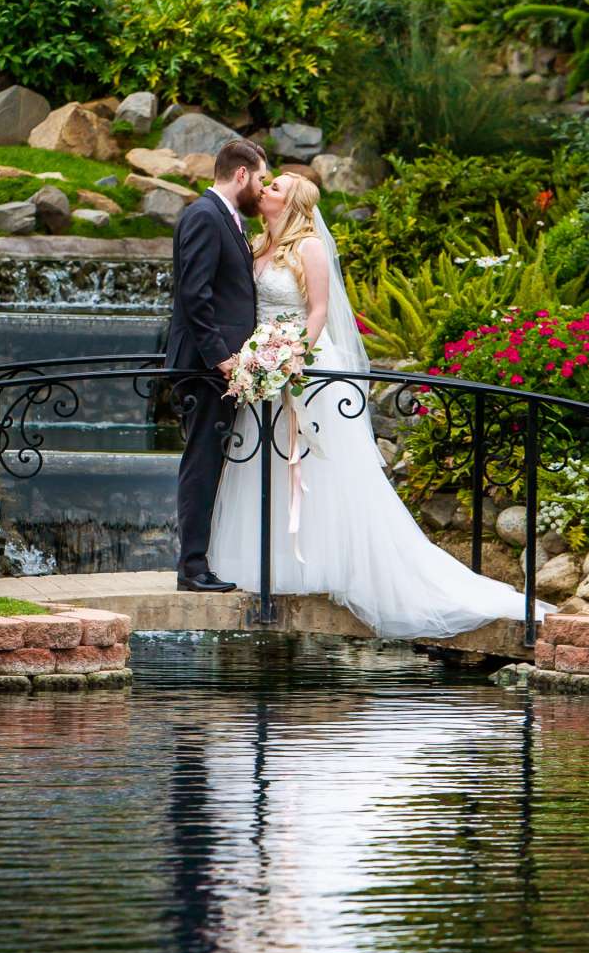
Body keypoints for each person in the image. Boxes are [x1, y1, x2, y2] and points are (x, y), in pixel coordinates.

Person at [208, 172, 533, 638]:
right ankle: (273, 567)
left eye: (275, 187)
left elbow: (317, 311)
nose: (265, 191)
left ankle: (334, 565)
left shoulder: (310, 248)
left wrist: (294, 356)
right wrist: (260, 362)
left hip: (308, 369)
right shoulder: (257, 245)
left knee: (325, 472)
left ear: (294, 202)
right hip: (264, 370)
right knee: (268, 467)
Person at [165, 136, 267, 591]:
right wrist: (221, 358)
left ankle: (201, 562)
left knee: (212, 460)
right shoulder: (205, 216)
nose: (262, 189)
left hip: (221, 368)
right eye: (261, 178)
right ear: (241, 174)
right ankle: (192, 568)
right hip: (207, 370)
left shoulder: (225, 218)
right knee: (202, 461)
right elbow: (194, 294)